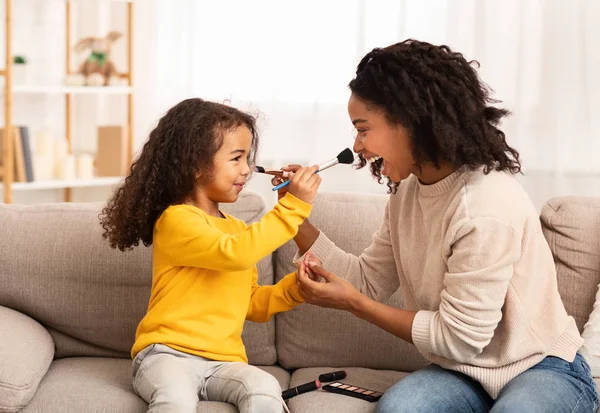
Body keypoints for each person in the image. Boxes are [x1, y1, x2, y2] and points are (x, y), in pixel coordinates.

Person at [275, 40, 599, 413]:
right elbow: (365, 279)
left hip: (542, 365)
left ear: (411, 121)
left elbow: (458, 339)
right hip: (462, 372)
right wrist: (293, 213)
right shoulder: (407, 194)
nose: (357, 146)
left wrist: (355, 304)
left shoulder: (484, 207)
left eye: (363, 129)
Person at [99, 98, 321, 413]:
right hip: (167, 355)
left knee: (264, 387)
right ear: (195, 164)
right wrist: (294, 206)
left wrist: (295, 289)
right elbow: (235, 255)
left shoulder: (237, 229)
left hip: (224, 362)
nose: (247, 169)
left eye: (248, 158)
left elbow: (251, 303)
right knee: (175, 399)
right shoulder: (176, 220)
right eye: (236, 158)